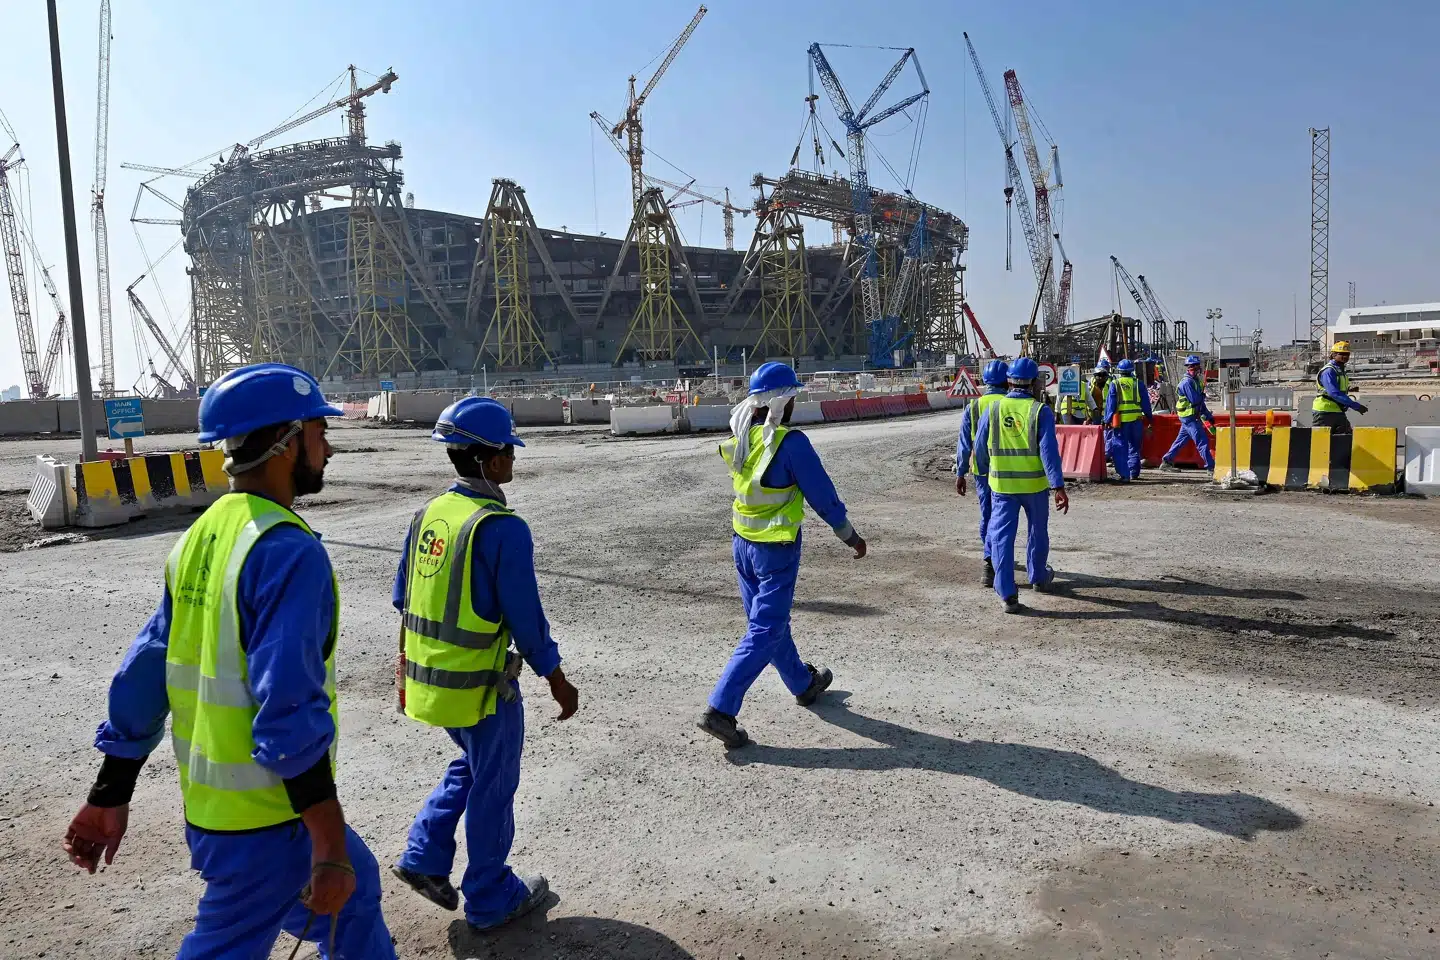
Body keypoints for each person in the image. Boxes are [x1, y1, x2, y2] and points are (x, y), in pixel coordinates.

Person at [61, 363, 397, 958]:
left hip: (218, 814)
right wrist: (326, 842)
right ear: (287, 442)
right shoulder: (287, 551)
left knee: (357, 900)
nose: (328, 448)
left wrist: (111, 789)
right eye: (319, 433)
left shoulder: (202, 535)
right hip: (269, 824)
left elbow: (145, 670)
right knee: (231, 943)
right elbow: (288, 707)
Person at [390, 396, 579, 932]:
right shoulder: (501, 528)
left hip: (430, 683)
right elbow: (526, 619)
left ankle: (424, 855)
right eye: (510, 452)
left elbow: (403, 596)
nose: (514, 460)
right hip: (482, 689)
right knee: (494, 785)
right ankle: (491, 897)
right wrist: (557, 679)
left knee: (474, 765)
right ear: (491, 460)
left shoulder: (429, 515)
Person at [699, 361, 867, 748]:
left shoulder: (743, 437)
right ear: (784, 401)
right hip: (775, 548)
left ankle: (803, 683)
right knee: (766, 628)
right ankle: (720, 709)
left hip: (742, 545)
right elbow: (822, 496)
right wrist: (850, 536)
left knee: (769, 623)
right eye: (793, 398)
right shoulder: (790, 443)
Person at [972, 357, 1070, 614]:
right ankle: (1038, 577)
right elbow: (1049, 451)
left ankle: (1007, 594)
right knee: (1037, 532)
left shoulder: (993, 410)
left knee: (1001, 538)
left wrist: (983, 473)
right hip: (1035, 487)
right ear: (1034, 382)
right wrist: (1058, 486)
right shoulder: (1040, 411)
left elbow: (979, 448)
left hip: (1002, 488)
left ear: (1009, 381)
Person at [955, 359, 1009, 587]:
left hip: (982, 470)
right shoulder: (1010, 403)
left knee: (987, 514)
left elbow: (964, 443)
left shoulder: (974, 407)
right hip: (1006, 470)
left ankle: (989, 560)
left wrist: (960, 472)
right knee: (1004, 517)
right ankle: (995, 558)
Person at [1160, 355, 1216, 471]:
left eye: (1196, 367)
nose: (1195, 369)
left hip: (1189, 417)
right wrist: (1203, 396)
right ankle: (1211, 467)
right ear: (1189, 368)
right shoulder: (1186, 383)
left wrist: (1208, 415)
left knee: (1180, 441)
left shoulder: (1195, 381)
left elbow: (1200, 403)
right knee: (1202, 441)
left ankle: (1166, 461)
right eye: (1192, 367)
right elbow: (1195, 400)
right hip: (1189, 418)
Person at [1104, 358, 1154, 482]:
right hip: (1136, 421)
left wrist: (1107, 419)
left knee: (1120, 447)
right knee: (1135, 447)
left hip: (1120, 422)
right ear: (1132, 370)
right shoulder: (1138, 383)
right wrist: (1149, 417)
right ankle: (1133, 473)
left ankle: (1124, 475)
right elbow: (1146, 403)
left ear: (1119, 371)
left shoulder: (1115, 384)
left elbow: (1111, 404)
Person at [1312, 340, 1368, 433]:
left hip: (1338, 410)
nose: (1345, 356)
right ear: (1333, 355)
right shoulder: (1329, 371)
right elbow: (1334, 392)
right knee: (1322, 440)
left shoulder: (1340, 371)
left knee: (1346, 438)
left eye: (1347, 354)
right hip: (1324, 412)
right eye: (1341, 354)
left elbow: (1340, 389)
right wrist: (1355, 405)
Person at [1084, 360, 1111, 425]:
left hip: (1105, 414)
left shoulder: (1110, 383)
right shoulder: (1090, 384)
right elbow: (1086, 400)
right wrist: (1087, 416)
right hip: (1093, 415)